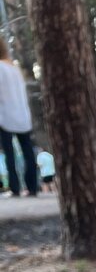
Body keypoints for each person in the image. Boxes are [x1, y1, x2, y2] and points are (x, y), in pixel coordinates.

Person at [0, 37, 38, 198]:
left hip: (5, 114)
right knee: (28, 151)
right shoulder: (15, 69)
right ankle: (33, 187)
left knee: (9, 153)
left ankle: (15, 188)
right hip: (22, 114)